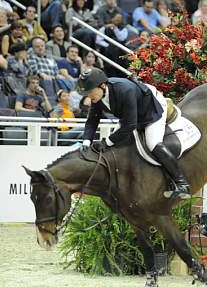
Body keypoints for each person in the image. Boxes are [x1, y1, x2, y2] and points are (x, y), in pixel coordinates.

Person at [79, 69, 190, 199]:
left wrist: (106, 142)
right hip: (131, 113)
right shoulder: (97, 97)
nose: (89, 96)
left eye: (90, 91)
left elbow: (130, 125)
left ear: (102, 85)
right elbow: (92, 120)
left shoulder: (125, 90)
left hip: (151, 107)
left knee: (153, 143)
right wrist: (86, 142)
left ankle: (182, 184)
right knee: (115, 148)